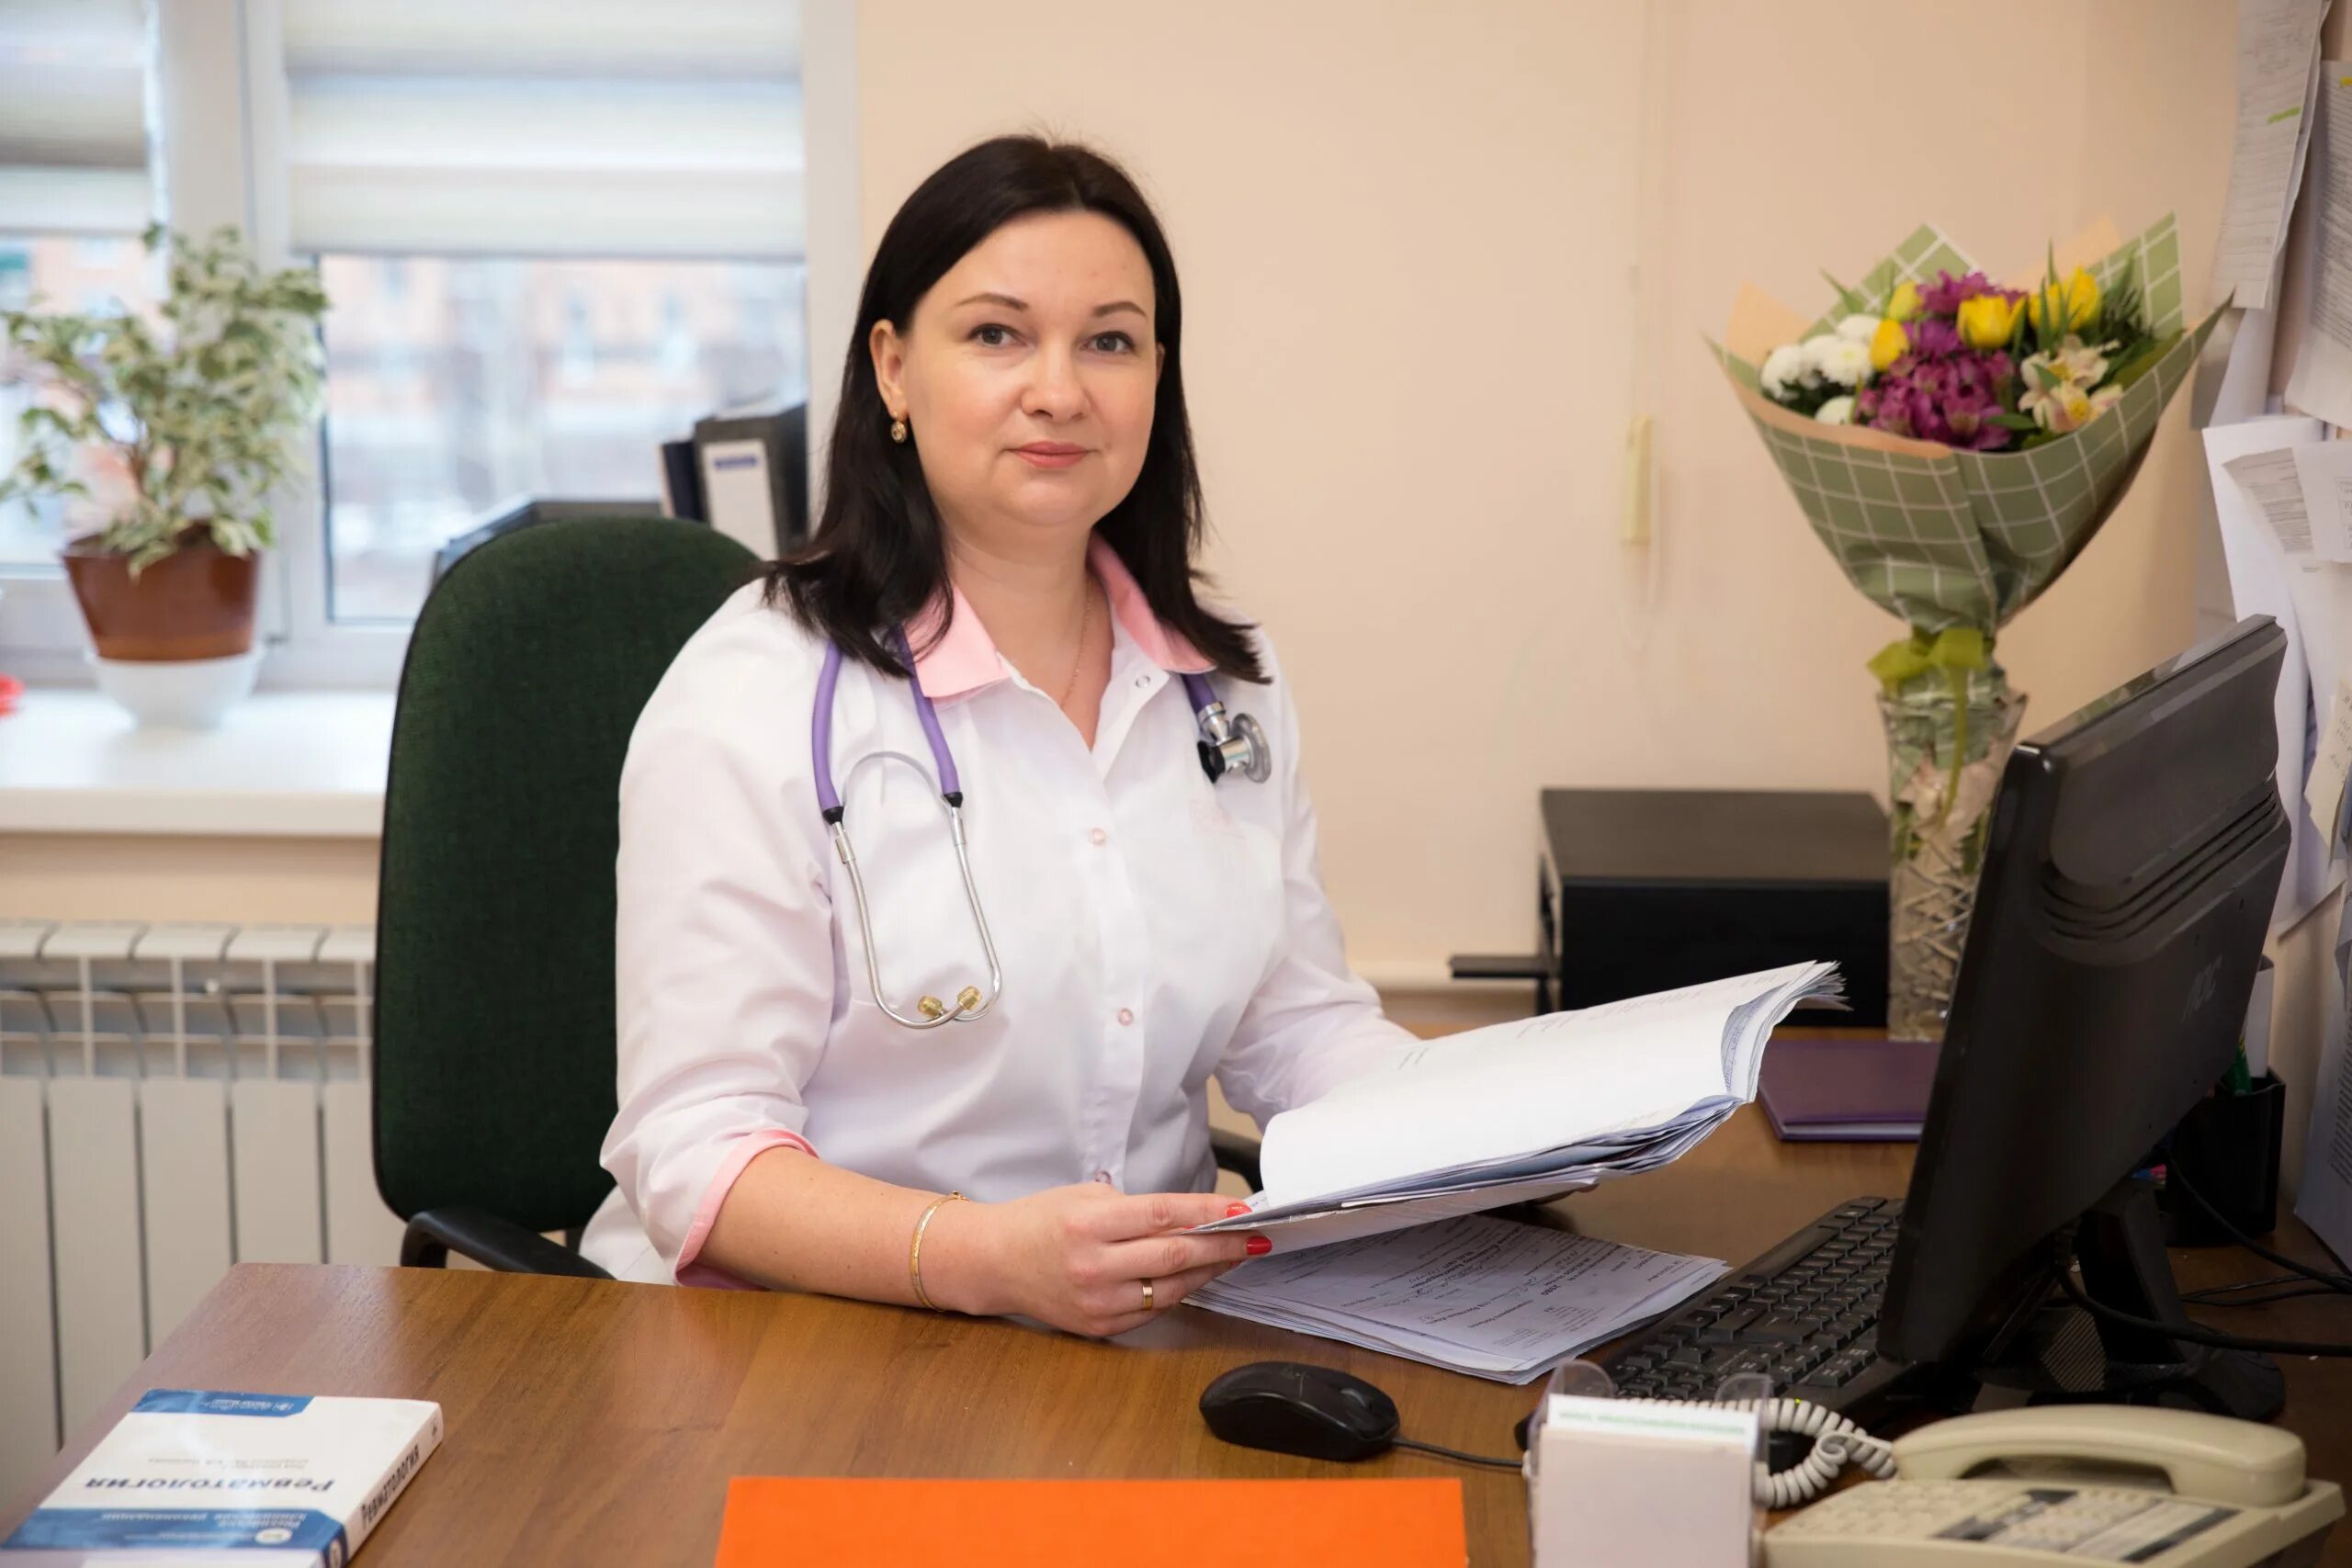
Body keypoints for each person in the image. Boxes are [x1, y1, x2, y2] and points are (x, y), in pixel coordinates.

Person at [581, 135, 1415, 1337]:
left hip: (1141, 1336)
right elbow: (695, 1148)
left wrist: (1494, 1133)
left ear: (1158, 376)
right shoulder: (754, 692)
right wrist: (978, 1257)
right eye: (997, 334)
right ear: (894, 369)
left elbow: (1294, 1030)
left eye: (1110, 342)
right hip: (808, 1345)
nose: (1060, 390)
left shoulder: (1225, 683)